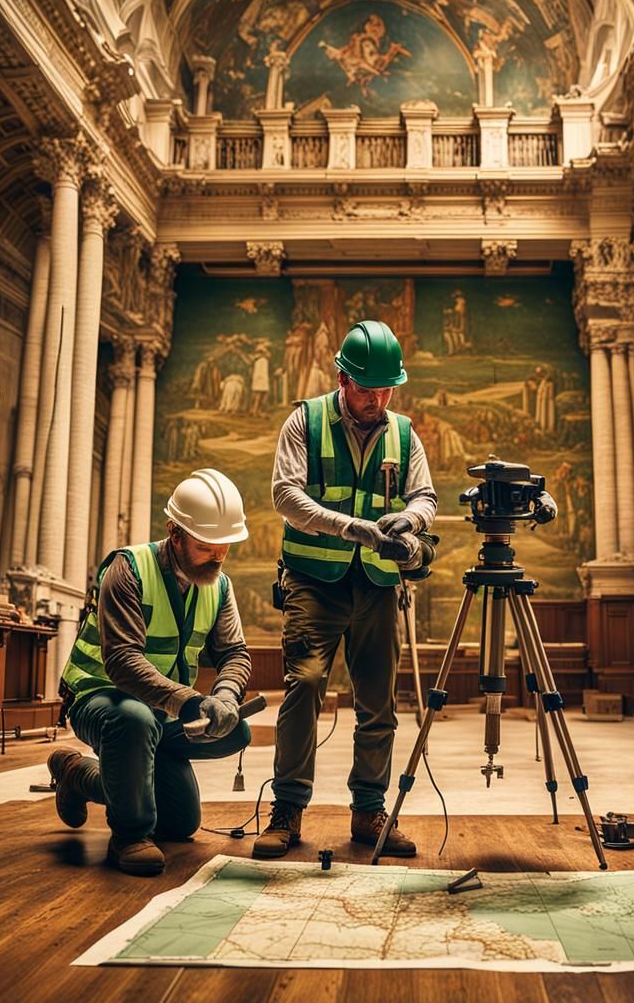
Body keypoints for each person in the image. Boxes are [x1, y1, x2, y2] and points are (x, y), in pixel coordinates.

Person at [254, 319, 437, 860]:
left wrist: (410, 522)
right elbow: (285, 495)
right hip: (314, 579)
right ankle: (286, 810)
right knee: (305, 684)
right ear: (342, 378)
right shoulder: (303, 421)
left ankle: (368, 811)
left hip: (378, 584)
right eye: (367, 388)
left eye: (387, 389)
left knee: (378, 702)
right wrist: (348, 527)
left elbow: (424, 496)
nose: (377, 399)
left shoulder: (404, 433)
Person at [47, 469, 253, 876]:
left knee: (181, 821)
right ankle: (129, 835)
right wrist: (190, 701)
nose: (218, 556)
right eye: (205, 546)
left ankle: (78, 775)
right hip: (101, 696)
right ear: (175, 534)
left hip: (161, 711)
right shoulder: (128, 569)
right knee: (133, 718)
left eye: (225, 546)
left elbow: (234, 652)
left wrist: (226, 696)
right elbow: (122, 659)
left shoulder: (220, 585)